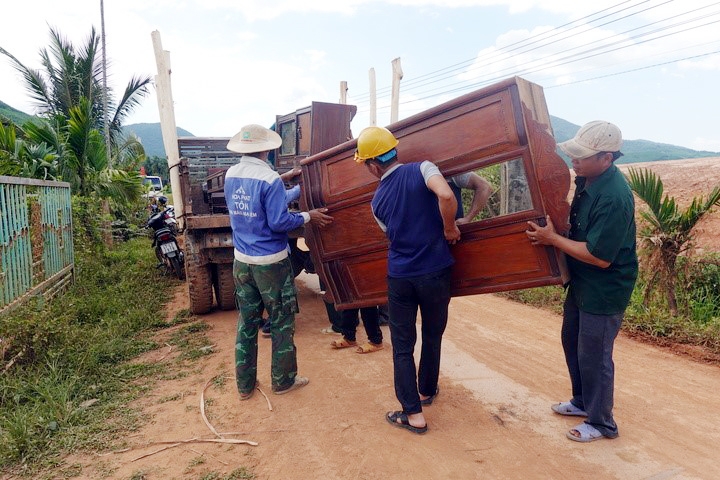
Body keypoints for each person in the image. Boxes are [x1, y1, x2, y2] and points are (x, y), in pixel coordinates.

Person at [525, 120, 638, 443]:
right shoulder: (589, 180)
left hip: (604, 287)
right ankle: (582, 402)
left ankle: (602, 423)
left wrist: (551, 240)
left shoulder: (614, 197)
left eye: (581, 156)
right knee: (572, 340)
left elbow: (600, 256)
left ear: (607, 157)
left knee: (595, 354)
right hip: (583, 282)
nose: (574, 160)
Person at [355, 126, 461, 434]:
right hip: (436, 271)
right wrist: (450, 227)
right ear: (394, 151)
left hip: (401, 277)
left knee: (402, 346)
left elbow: (392, 234)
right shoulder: (423, 168)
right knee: (432, 333)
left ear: (373, 165)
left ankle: (413, 414)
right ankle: (427, 390)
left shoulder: (376, 202)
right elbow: (444, 193)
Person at [224, 124, 333, 399]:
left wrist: (295, 188)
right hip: (270, 263)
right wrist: (309, 216)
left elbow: (263, 203)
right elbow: (278, 221)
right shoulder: (269, 178)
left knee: (247, 322)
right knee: (281, 321)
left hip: (242, 262)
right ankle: (283, 381)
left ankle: (245, 386)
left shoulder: (231, 174)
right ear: (266, 149)